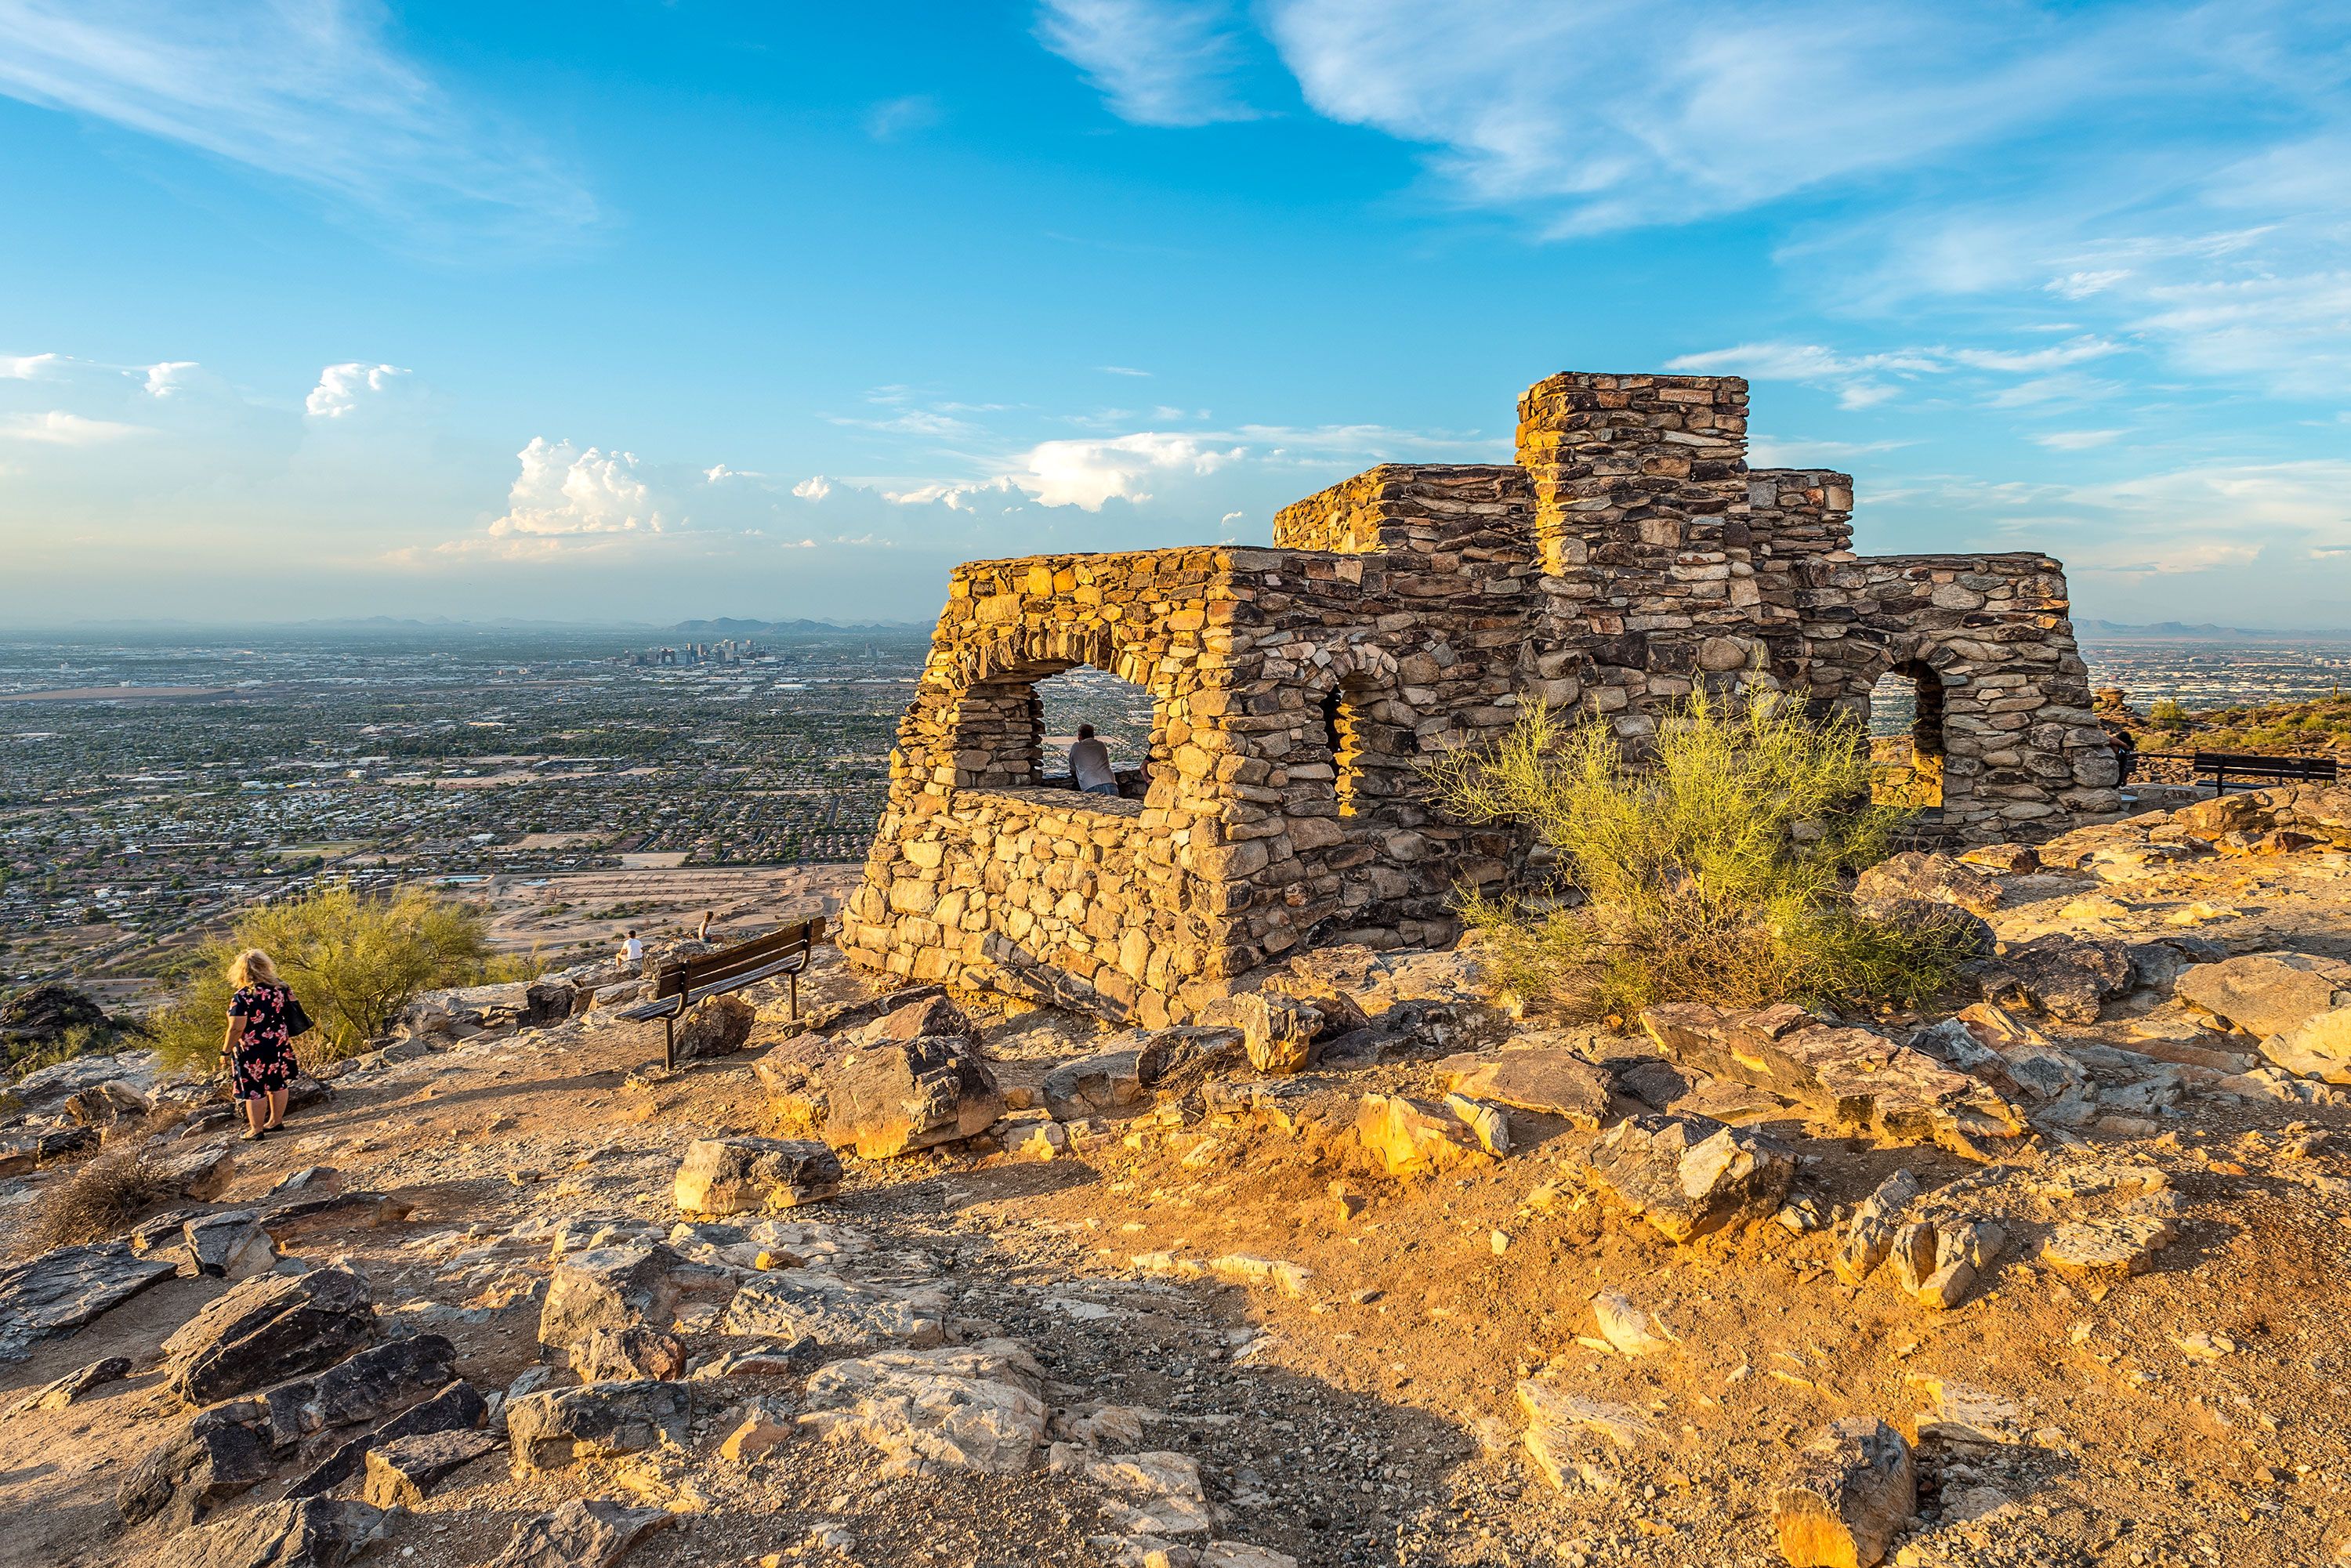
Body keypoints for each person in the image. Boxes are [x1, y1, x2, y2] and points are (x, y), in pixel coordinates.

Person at [221, 948, 298, 1141]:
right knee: (277, 1082)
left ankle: (256, 1129)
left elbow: (236, 1029)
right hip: (278, 1042)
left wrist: (225, 1051)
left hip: (252, 1048)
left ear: (240, 971)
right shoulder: (281, 988)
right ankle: (275, 1121)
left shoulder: (243, 996)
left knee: (254, 1088)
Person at [1069, 723, 1119, 796]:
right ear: (1093, 735)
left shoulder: (1076, 747)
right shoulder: (1101, 745)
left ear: (1080, 736)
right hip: (1110, 781)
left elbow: (1072, 767)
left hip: (1090, 784)